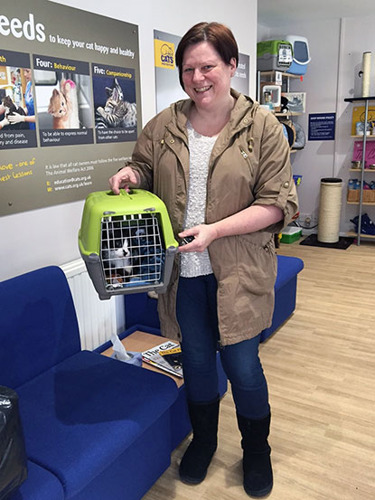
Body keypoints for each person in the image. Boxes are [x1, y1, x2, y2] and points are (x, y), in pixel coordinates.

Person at [109, 22, 298, 498]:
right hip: (183, 275)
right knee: (194, 363)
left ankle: (257, 450)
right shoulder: (165, 124)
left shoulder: (263, 129)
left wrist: (214, 231)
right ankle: (206, 441)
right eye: (188, 68)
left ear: (232, 66)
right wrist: (132, 173)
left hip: (238, 272)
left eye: (208, 66)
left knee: (242, 366)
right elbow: (146, 166)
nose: (197, 78)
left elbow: (278, 205)